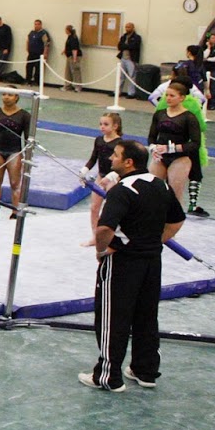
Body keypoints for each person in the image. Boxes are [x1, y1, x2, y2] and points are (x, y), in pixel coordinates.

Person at [80, 139, 185, 392]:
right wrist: (148, 241)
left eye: (116, 156)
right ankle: (145, 370)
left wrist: (102, 250)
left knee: (112, 318)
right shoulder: (161, 185)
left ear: (128, 162)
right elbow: (177, 221)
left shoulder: (122, 190)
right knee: (146, 316)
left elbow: (104, 228)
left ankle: (107, 376)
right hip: (151, 262)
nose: (111, 159)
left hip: (123, 264)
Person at [147, 80, 201, 213]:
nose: (168, 98)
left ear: (182, 98)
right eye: (167, 95)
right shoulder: (160, 114)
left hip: (180, 158)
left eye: (172, 96)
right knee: (152, 191)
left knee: (174, 194)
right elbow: (152, 137)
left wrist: (171, 148)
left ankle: (172, 226)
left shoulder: (189, 117)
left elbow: (195, 143)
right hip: (160, 156)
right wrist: (153, 148)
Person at [0, 89, 31, 221]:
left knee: (15, 183)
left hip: (15, 151)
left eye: (9, 95)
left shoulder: (24, 115)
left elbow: (27, 138)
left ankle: (15, 213)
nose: (6, 97)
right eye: (4, 94)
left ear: (16, 97)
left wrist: (26, 156)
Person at [82, 112, 121, 247]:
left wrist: (110, 177)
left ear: (115, 126)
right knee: (94, 208)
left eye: (106, 124)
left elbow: (121, 165)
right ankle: (95, 237)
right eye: (101, 124)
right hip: (101, 175)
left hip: (114, 178)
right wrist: (84, 170)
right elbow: (94, 158)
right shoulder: (99, 140)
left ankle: (111, 238)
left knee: (110, 210)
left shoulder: (120, 143)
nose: (102, 127)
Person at [117, 22, 142, 97]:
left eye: (129, 27)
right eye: (126, 27)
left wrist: (125, 46)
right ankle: (118, 92)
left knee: (132, 76)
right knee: (120, 76)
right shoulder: (123, 36)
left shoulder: (137, 37)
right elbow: (119, 46)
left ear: (133, 28)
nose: (127, 29)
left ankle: (131, 93)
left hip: (131, 59)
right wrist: (126, 46)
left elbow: (133, 46)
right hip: (123, 58)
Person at [62, 25, 84, 91]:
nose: (65, 31)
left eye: (66, 29)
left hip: (74, 56)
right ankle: (68, 86)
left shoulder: (73, 38)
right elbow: (68, 46)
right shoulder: (69, 37)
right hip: (69, 56)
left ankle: (78, 87)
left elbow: (74, 49)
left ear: (68, 30)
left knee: (76, 71)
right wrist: (64, 50)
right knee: (68, 71)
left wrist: (74, 59)